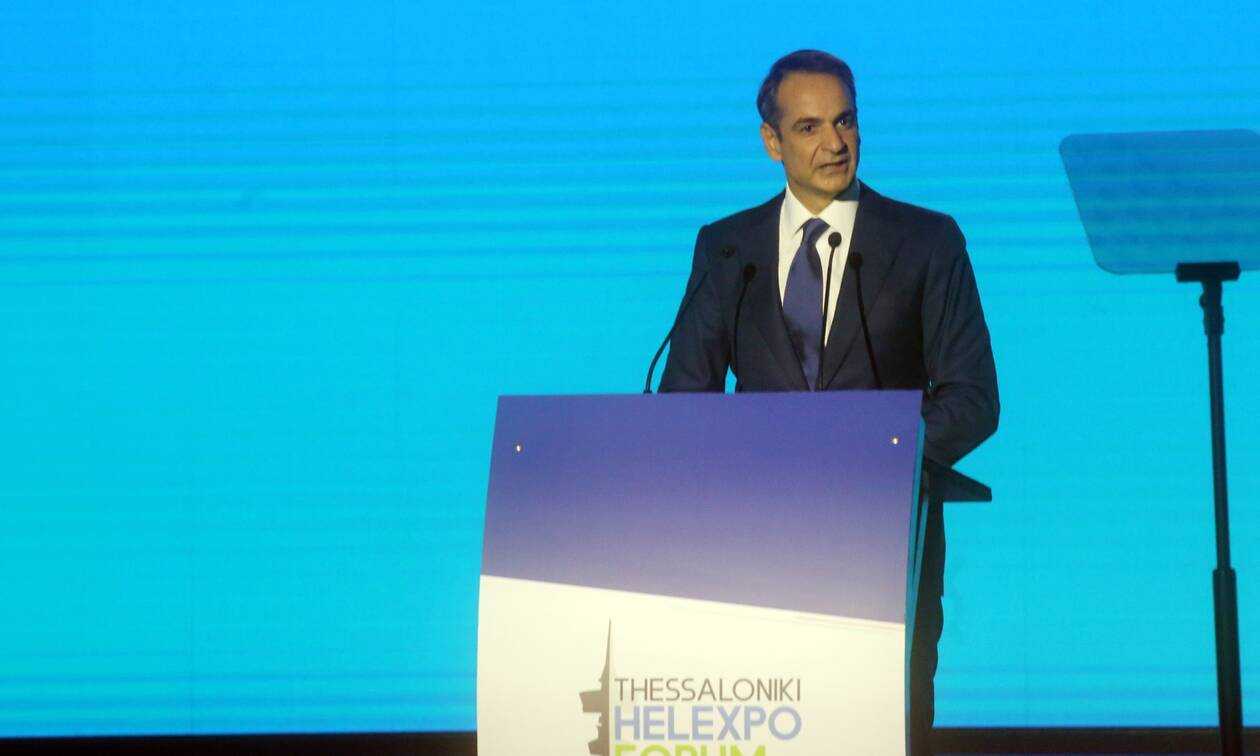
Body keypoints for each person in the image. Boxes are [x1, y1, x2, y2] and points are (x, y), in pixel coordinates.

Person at [658, 49, 999, 755]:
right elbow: (685, 401)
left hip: (887, 538)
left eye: (845, 121)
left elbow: (972, 397)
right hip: (753, 543)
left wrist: (878, 461)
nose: (835, 143)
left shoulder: (926, 241)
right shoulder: (727, 249)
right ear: (772, 141)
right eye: (809, 127)